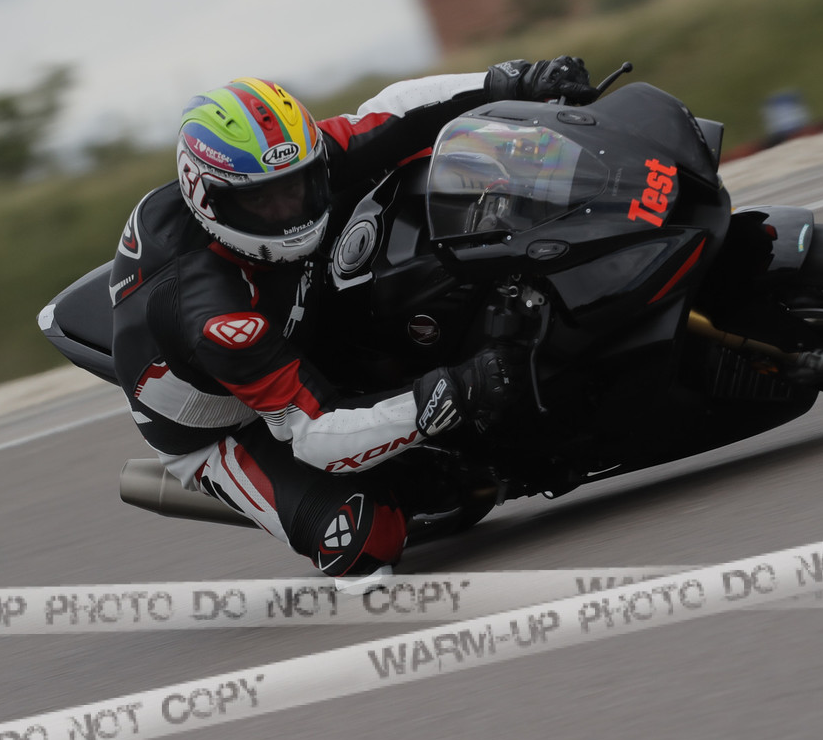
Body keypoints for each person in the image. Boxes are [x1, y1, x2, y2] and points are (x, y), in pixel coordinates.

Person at [109, 57, 598, 584]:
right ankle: (273, 493)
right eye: (260, 200)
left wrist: (512, 81)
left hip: (292, 310)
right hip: (232, 423)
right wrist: (454, 391)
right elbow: (315, 431)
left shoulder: (283, 164)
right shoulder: (211, 313)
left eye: (297, 186)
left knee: (420, 161)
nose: (287, 209)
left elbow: (393, 116)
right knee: (368, 540)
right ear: (210, 200)